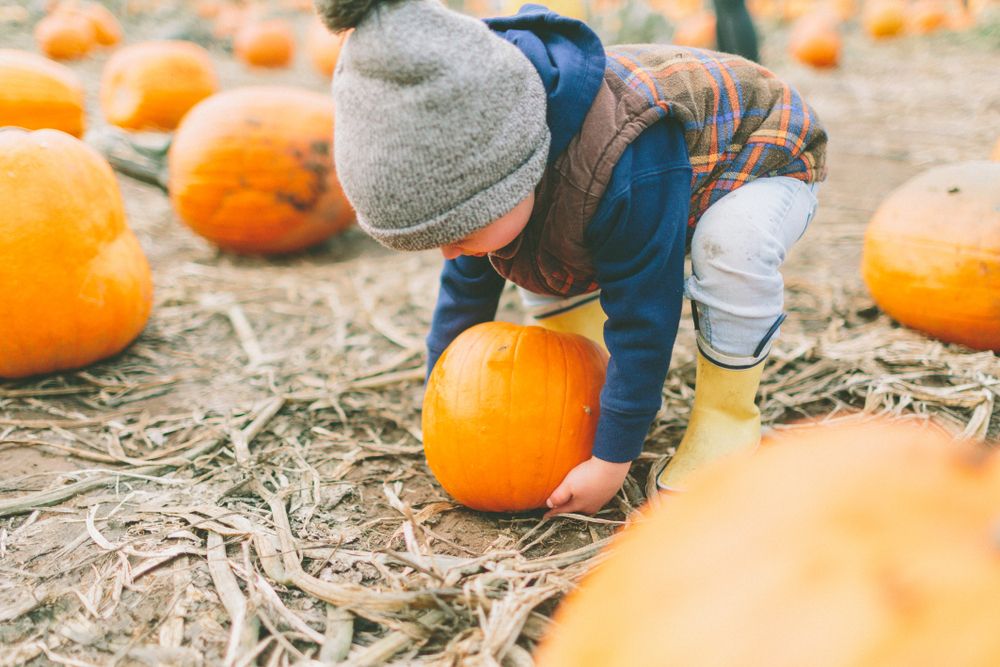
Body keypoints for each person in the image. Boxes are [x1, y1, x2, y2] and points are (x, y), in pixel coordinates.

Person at [317, 0, 826, 517]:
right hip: (615, 181)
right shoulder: (486, 169)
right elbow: (463, 292)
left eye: (458, 229)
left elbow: (644, 317)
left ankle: (726, 417)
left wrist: (612, 460)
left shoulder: (626, 163)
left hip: (756, 155)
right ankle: (587, 385)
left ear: (513, 173)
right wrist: (440, 400)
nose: (450, 250)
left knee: (728, 247)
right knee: (526, 252)